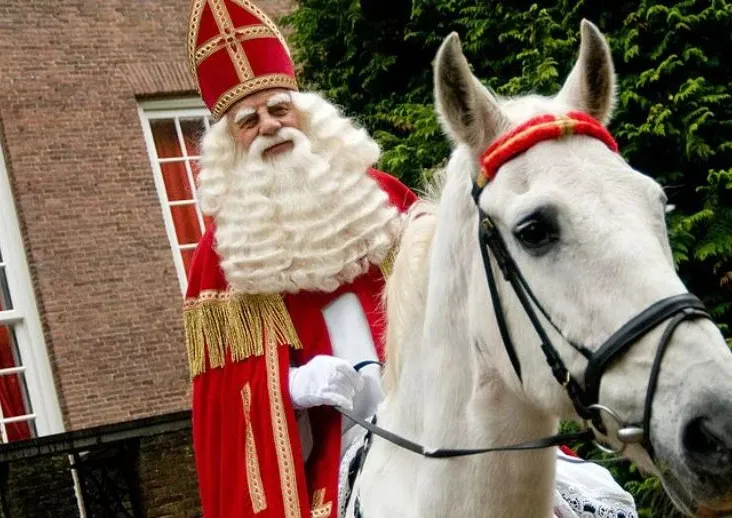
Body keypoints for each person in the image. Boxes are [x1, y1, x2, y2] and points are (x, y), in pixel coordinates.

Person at [182, 1, 637, 517]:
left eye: (280, 109)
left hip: (435, 407)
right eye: (249, 119)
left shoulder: (377, 198)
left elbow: (463, 291)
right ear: (229, 141)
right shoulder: (221, 255)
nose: (270, 126)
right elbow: (223, 408)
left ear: (305, 114)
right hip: (334, 447)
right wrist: (292, 387)